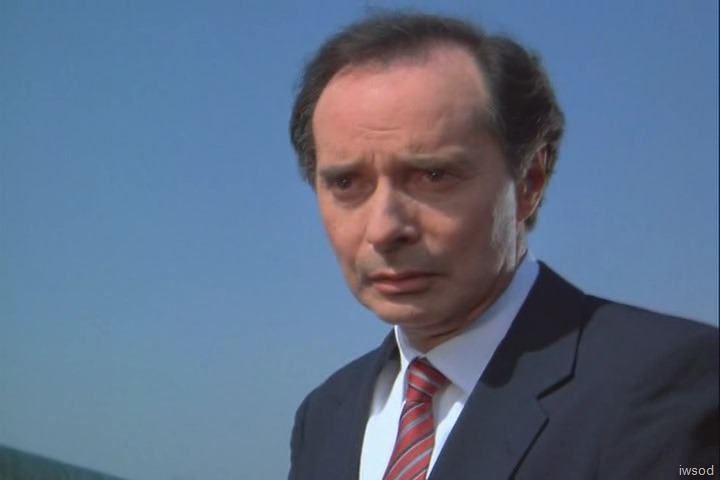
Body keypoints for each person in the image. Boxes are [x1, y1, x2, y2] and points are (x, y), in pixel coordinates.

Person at [287, 11, 718, 480]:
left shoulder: (664, 380)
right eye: (346, 183)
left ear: (530, 180)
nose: (385, 228)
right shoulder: (325, 415)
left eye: (433, 175)